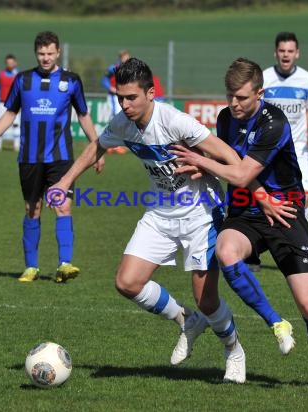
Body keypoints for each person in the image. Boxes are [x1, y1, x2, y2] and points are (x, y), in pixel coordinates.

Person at [48, 57, 262, 383]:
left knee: (207, 298)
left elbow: (232, 159)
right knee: (127, 282)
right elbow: (97, 147)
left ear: (151, 93)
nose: (125, 104)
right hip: (160, 212)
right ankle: (185, 319)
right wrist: (64, 182)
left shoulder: (176, 122)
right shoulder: (123, 122)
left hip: (200, 213)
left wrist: (204, 166)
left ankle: (233, 350)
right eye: (120, 97)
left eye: (131, 97)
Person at [171, 58, 308, 391]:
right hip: (246, 213)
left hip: (285, 212)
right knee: (226, 252)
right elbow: (233, 164)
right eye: (230, 96)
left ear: (260, 93)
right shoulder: (227, 119)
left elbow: (240, 173)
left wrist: (201, 160)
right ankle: (276, 323)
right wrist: (216, 171)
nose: (233, 104)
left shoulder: (274, 123)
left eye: (241, 97)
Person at [0, 31, 104, 283]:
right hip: (29, 157)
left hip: (61, 158)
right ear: (36, 54)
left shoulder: (71, 81)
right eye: (41, 54)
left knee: (62, 205)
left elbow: (83, 115)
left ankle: (64, 264)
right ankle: (31, 267)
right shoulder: (23, 80)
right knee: (32, 209)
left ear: (58, 52)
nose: (45, 58)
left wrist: (96, 148)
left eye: (50, 53)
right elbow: (10, 113)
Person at [263, 32, 308, 222]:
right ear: (275, 53)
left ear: (297, 53)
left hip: (299, 148)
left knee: (305, 196)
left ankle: (302, 239)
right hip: (270, 150)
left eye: (290, 51)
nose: (285, 55)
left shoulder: (307, 80)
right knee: (269, 197)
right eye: (282, 51)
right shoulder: (264, 78)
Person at [101, 49, 131, 154]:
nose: (126, 59)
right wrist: (110, 88)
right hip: (114, 97)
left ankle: (113, 144)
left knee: (120, 118)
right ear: (120, 58)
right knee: (115, 117)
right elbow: (104, 80)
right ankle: (111, 144)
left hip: (123, 96)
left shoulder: (130, 69)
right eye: (124, 57)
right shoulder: (113, 68)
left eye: (127, 57)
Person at [0, 54, 20, 151]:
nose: (10, 64)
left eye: (12, 62)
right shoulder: (1, 74)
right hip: (2, 103)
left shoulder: (18, 75)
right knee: (0, 123)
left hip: (14, 103)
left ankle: (16, 145)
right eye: (8, 63)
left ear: (15, 63)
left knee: (16, 124)